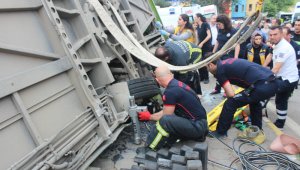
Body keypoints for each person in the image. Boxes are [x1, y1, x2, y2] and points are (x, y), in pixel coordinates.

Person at [138, 65, 208, 150]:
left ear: (157, 80)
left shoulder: (170, 91)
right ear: (171, 74)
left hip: (198, 128)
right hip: (201, 124)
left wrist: (149, 117)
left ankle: (149, 148)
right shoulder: (177, 84)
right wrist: (151, 115)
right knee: (168, 120)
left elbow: (166, 116)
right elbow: (166, 111)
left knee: (165, 121)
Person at [207, 58, 278, 137]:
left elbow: (230, 94)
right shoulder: (226, 62)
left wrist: (227, 111)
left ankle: (220, 132)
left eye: (207, 67)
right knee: (254, 100)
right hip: (271, 81)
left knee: (231, 103)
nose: (207, 70)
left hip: (262, 85)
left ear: (211, 65)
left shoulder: (220, 70)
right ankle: (257, 129)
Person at [263, 26, 299, 129]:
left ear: (281, 35)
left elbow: (276, 68)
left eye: (275, 34)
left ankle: (279, 121)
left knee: (265, 90)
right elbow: (271, 55)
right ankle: (280, 122)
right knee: (281, 99)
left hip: (288, 79)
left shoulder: (284, 48)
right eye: (270, 35)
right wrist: (263, 67)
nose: (272, 37)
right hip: (284, 77)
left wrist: (263, 77)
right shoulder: (277, 44)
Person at [211, 14, 240, 94]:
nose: (218, 26)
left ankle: (227, 90)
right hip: (219, 54)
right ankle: (217, 88)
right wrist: (213, 53)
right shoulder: (220, 30)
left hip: (228, 55)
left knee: (227, 73)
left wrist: (236, 57)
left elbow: (237, 44)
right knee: (218, 72)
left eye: (219, 24)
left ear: (225, 23)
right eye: (217, 24)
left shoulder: (233, 31)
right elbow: (217, 41)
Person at [194, 13, 212, 84]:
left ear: (199, 18)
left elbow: (209, 36)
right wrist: (196, 45)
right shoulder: (198, 26)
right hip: (200, 46)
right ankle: (201, 76)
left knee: (204, 62)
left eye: (195, 17)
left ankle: (206, 77)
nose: (194, 19)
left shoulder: (205, 24)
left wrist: (202, 43)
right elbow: (198, 38)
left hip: (206, 46)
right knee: (199, 61)